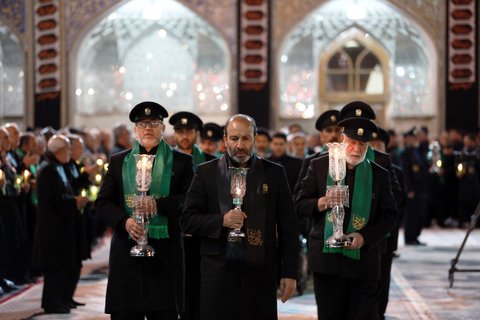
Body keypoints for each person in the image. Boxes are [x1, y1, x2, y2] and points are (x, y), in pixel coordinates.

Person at [181, 114, 299, 320]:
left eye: (246, 138)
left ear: (255, 138)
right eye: (234, 138)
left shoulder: (274, 173)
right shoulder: (206, 172)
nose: (240, 145)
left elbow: (289, 226)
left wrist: (289, 272)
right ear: (225, 139)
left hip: (260, 271)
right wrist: (221, 221)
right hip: (217, 271)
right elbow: (187, 220)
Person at [95, 101, 194, 320]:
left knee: (164, 314)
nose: (147, 128)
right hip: (127, 252)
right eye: (142, 123)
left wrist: (159, 205)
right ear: (135, 130)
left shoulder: (182, 162)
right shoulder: (119, 161)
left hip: (165, 253)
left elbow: (191, 201)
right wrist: (124, 222)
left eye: (153, 123)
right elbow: (102, 203)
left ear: (163, 128)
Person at [296, 117, 397, 320]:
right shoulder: (319, 166)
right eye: (352, 142)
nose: (356, 149)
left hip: (364, 263)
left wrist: (365, 236)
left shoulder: (379, 174)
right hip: (327, 262)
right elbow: (298, 204)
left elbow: (390, 216)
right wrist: (323, 202)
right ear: (343, 139)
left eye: (362, 144)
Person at [33, 135, 89, 314]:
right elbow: (54, 198)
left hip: (62, 226)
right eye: (68, 149)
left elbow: (67, 188)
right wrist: (74, 202)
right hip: (52, 228)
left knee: (63, 265)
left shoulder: (58, 167)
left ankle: (61, 300)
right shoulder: (48, 169)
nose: (70, 153)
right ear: (58, 151)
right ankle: (51, 303)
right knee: (55, 268)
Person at [168, 111, 215, 320]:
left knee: (201, 285)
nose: (184, 136)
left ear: (197, 133)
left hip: (203, 233)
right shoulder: (166, 162)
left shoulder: (211, 162)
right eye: (179, 131)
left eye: (189, 131)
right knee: (175, 284)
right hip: (175, 232)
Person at [370, 127, 407, 320]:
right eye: (372, 144)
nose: (375, 147)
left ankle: (380, 312)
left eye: (379, 145)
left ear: (386, 147)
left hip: (386, 234)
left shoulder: (396, 171)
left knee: (383, 275)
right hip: (365, 235)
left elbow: (401, 200)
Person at [294, 109, 341, 196]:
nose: (334, 135)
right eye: (329, 130)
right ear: (321, 135)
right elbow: (298, 197)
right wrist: (319, 203)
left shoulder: (351, 160)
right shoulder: (311, 161)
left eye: (337, 130)